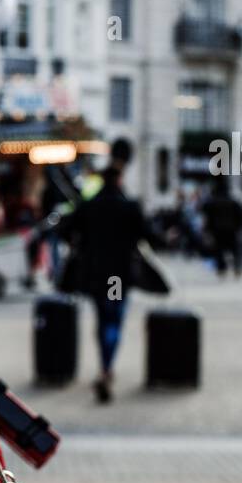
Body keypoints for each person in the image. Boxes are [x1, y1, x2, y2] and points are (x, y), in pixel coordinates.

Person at [59, 165, 155, 403]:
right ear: (120, 180)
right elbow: (149, 236)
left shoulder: (89, 206)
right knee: (113, 319)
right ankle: (106, 367)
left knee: (103, 319)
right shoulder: (129, 207)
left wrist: (79, 246)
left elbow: (64, 229)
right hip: (117, 276)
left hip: (94, 273)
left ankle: (105, 366)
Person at [203, 177, 242, 277]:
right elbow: (241, 215)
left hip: (218, 230)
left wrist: (208, 230)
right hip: (232, 230)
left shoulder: (213, 202)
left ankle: (222, 268)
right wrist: (239, 227)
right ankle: (237, 267)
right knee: (235, 249)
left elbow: (208, 217)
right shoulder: (233, 201)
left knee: (219, 250)